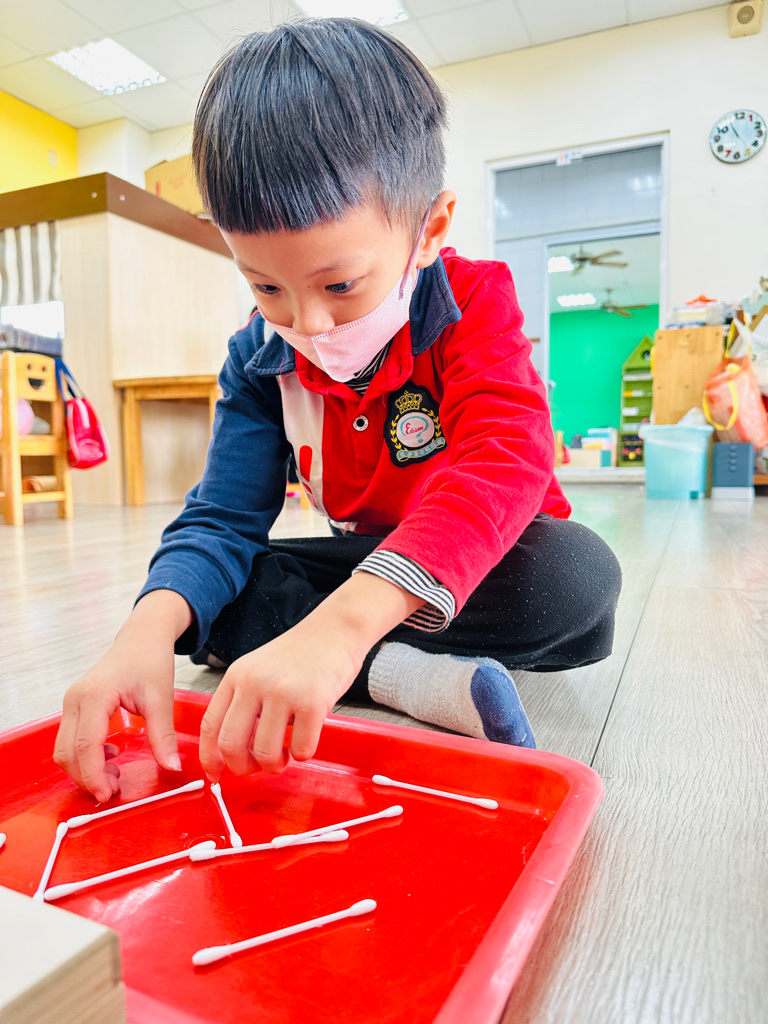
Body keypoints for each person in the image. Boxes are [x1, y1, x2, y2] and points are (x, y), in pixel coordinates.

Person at [54, 18, 622, 803]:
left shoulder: (474, 301)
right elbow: (222, 516)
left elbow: (506, 463)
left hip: (477, 562)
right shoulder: (259, 354)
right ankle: (404, 677)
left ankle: (350, 652)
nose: (309, 324)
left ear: (430, 230)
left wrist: (343, 627)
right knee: (205, 594)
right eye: (265, 286)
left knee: (574, 576)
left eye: (341, 285)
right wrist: (141, 633)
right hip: (364, 568)